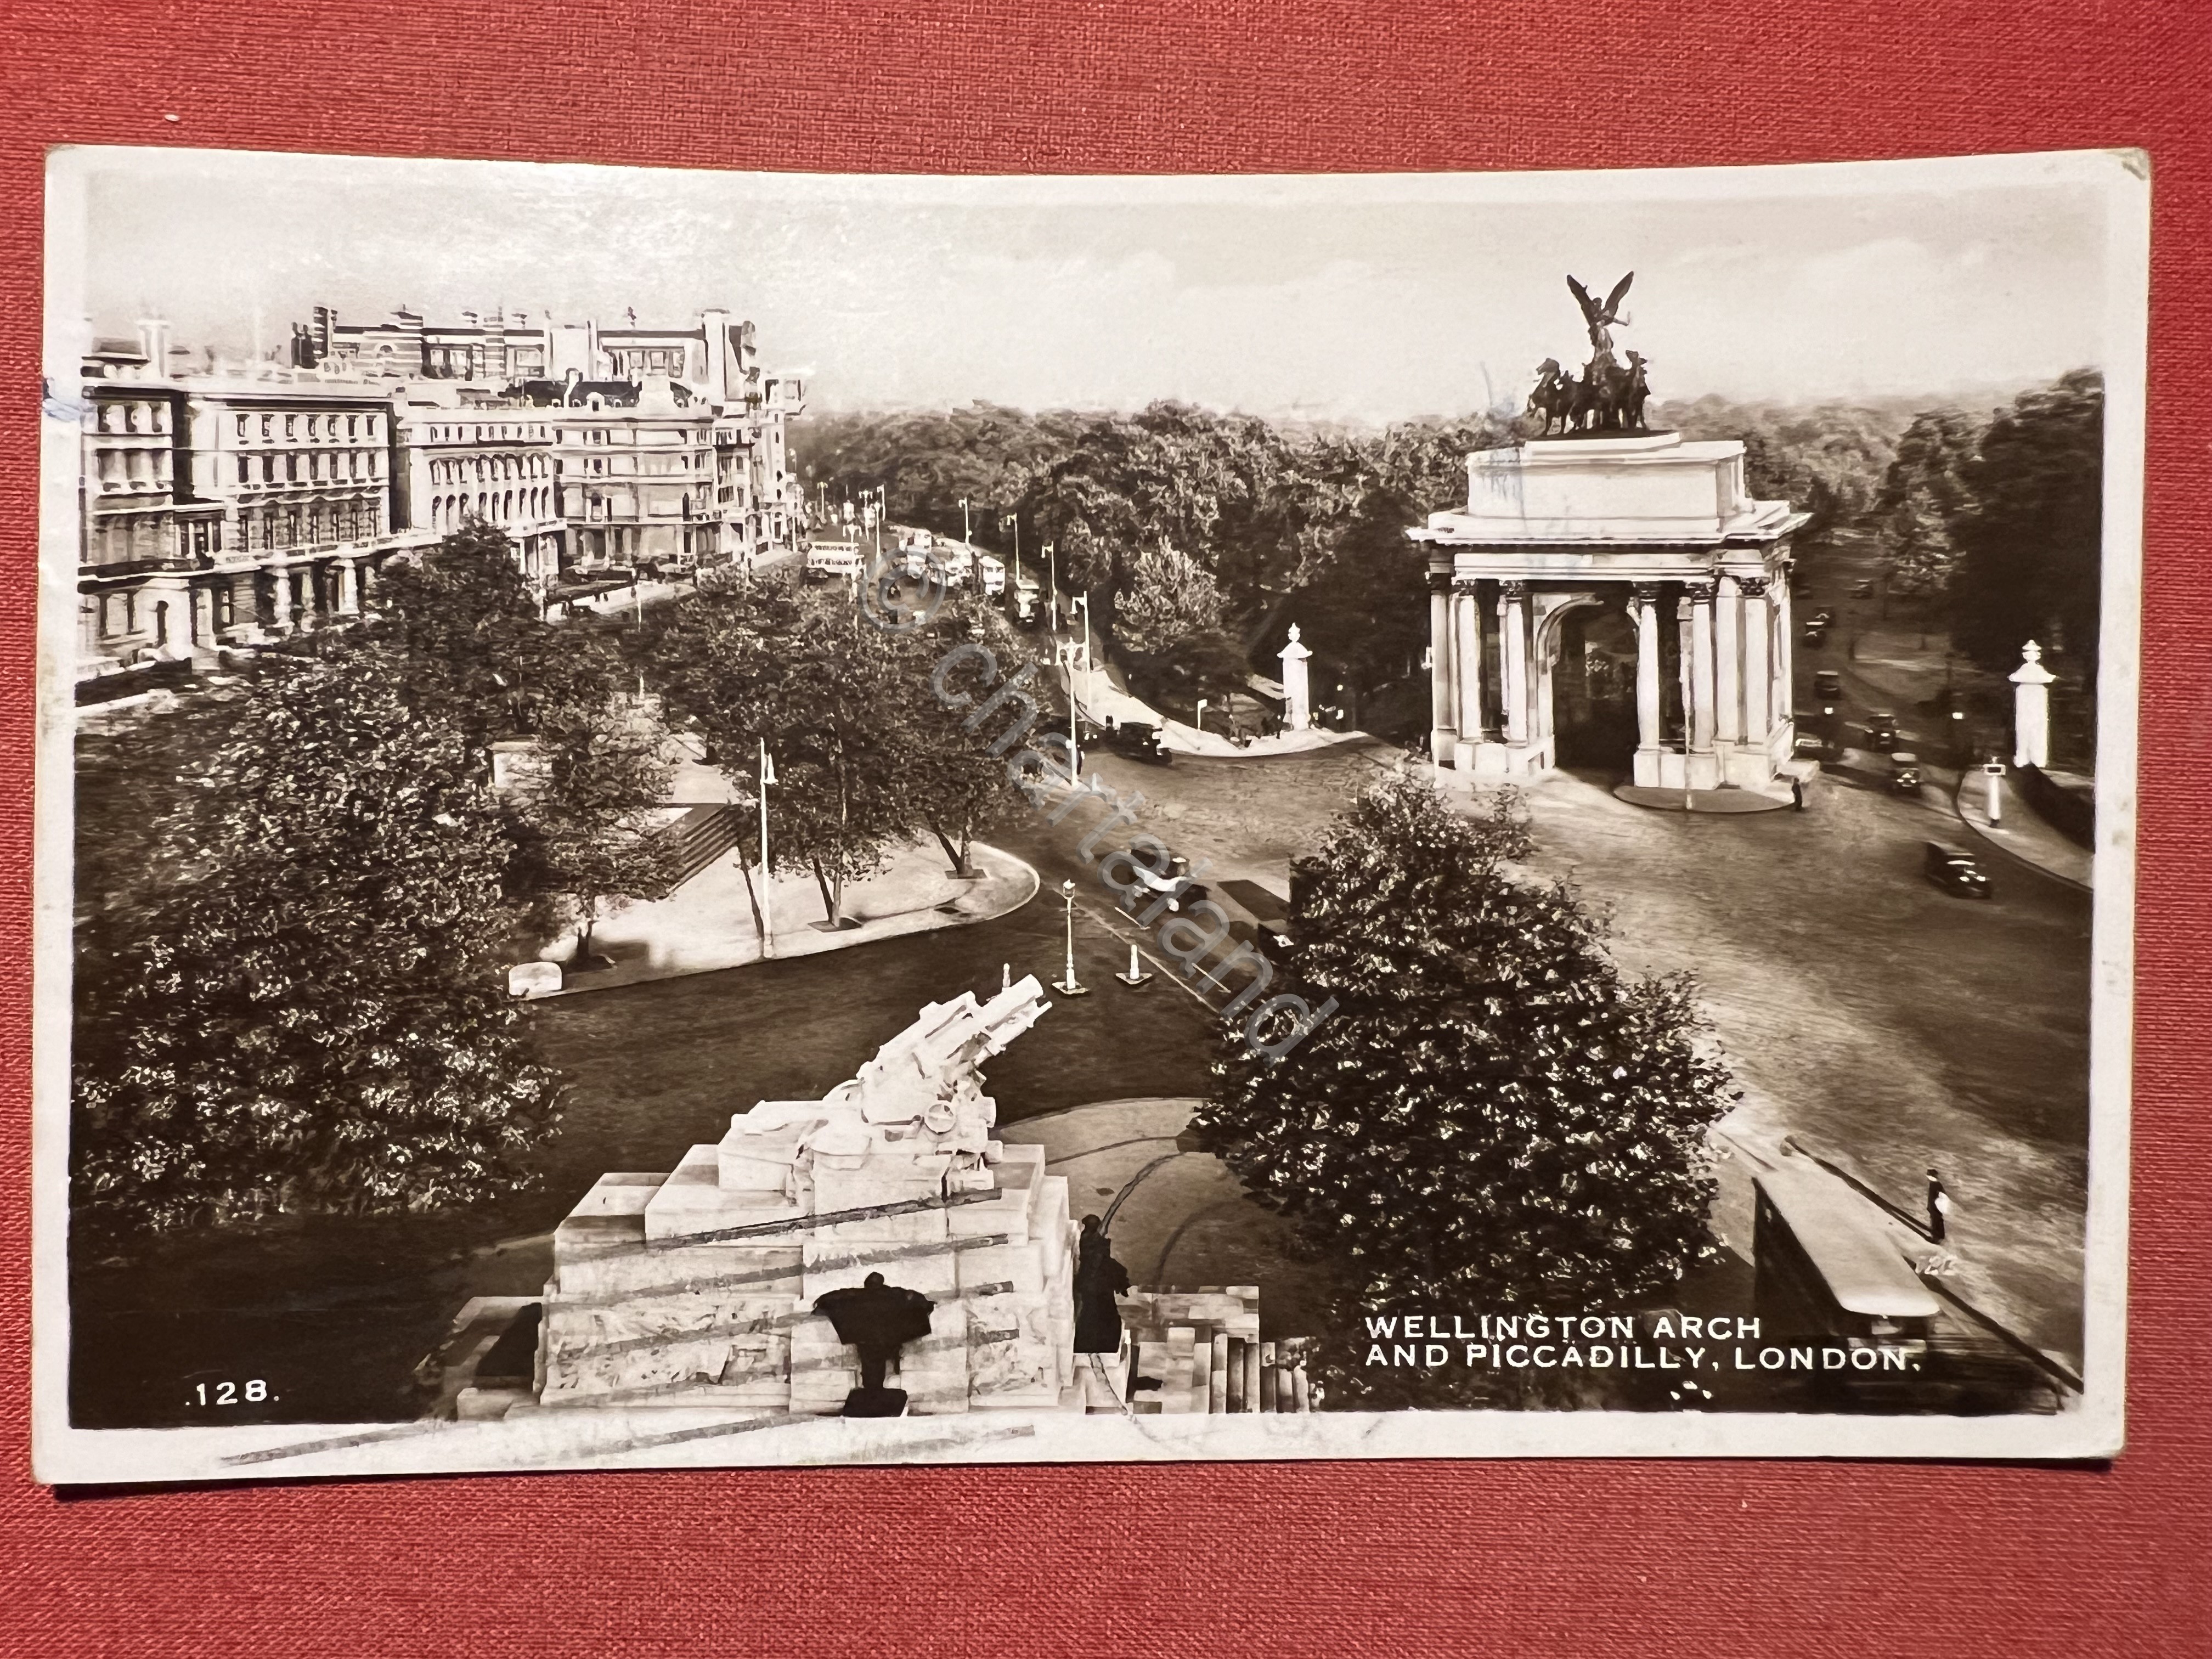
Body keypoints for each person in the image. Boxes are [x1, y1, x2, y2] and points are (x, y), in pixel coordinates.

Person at [813, 1271, 936, 1396]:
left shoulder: (858, 1295)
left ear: (867, 1284)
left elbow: (837, 1296)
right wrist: (927, 1305)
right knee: (877, 1365)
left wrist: (821, 1302)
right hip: (884, 1340)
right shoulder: (893, 1294)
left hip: (866, 1340)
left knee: (870, 1365)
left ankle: (872, 1390)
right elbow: (912, 1297)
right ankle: (875, 1390)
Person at [1072, 1215, 1132, 1354]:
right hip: (1095, 1291)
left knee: (1096, 1318)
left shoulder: (1093, 1244)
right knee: (1096, 1319)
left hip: (1095, 1291)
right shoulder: (1091, 1244)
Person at [1926, 1169, 1952, 1243]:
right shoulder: (1933, 1184)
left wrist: (1936, 1206)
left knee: (1936, 1221)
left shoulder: (1936, 1185)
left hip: (1936, 1207)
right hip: (1934, 1207)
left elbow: (1941, 1196)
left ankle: (1936, 1238)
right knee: (1936, 1220)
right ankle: (1939, 1235)